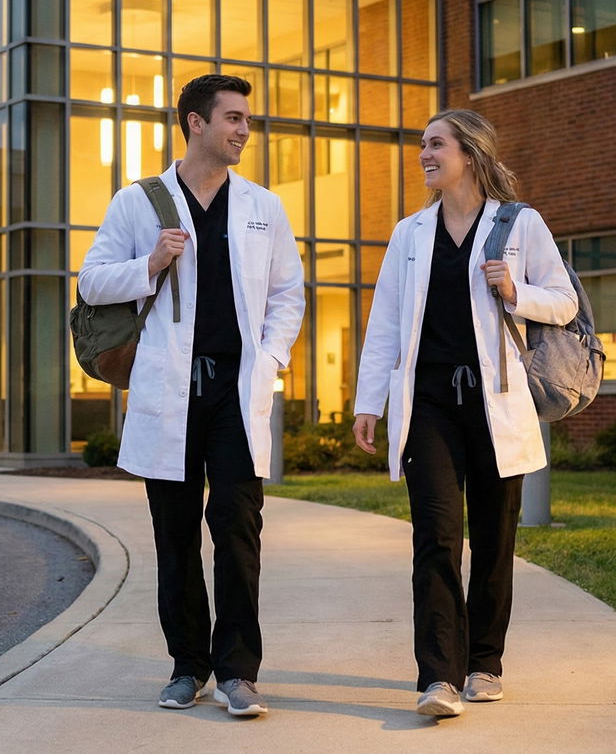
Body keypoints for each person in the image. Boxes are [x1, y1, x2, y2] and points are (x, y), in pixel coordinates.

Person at [77, 74, 305, 717]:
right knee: (174, 536)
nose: (243, 130)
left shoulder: (263, 205)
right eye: (232, 118)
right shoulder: (139, 202)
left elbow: (289, 293)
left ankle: (238, 671)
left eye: (247, 120)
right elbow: (92, 282)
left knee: (238, 530)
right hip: (170, 394)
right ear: (195, 123)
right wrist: (147, 265)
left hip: (235, 393)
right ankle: (187, 665)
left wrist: (272, 360)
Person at [351, 109, 576, 718]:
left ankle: (485, 661)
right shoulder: (410, 233)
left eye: (436, 144)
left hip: (495, 403)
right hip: (428, 405)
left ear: (470, 155)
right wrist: (369, 401)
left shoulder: (519, 225)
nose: (424, 153)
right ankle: (438, 677)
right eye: (422, 144)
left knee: (495, 538)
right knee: (435, 537)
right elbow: (386, 327)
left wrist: (515, 292)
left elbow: (564, 301)